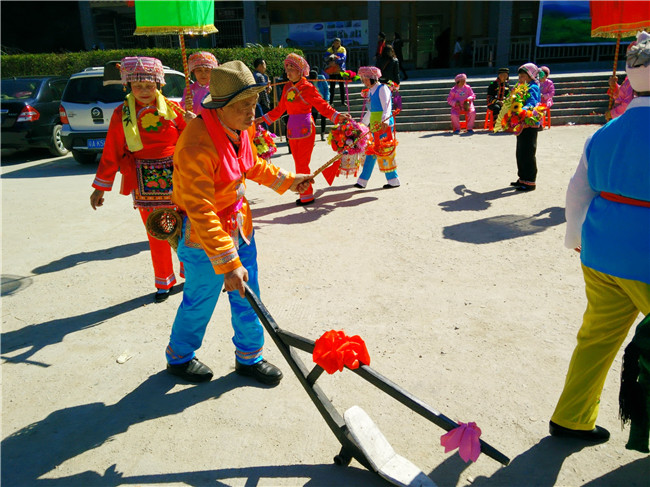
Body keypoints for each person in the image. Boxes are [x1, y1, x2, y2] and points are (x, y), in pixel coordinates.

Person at [166, 60, 315, 384]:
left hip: (239, 224)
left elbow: (251, 164)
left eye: (254, 104)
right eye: (244, 106)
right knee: (201, 297)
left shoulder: (237, 127)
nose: (252, 113)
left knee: (249, 293)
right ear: (220, 106)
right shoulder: (196, 143)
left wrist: (288, 181)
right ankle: (179, 356)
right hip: (204, 234)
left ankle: (250, 356)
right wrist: (228, 262)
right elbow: (200, 209)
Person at [549, 31, 650, 443]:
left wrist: (575, 238)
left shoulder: (604, 132)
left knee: (596, 338)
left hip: (600, 251)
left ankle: (571, 417)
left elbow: (578, 190)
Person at [90, 57, 187, 303]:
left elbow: (192, 139)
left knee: (186, 229)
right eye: (137, 86)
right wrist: (100, 188)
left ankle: (194, 273)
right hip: (144, 180)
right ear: (128, 86)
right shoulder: (121, 114)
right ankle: (164, 281)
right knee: (157, 233)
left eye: (149, 85)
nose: (144, 91)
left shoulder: (175, 110)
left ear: (159, 85)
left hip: (179, 178)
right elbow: (111, 151)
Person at [257, 53, 350, 206]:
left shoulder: (307, 87)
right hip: (292, 130)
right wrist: (261, 119)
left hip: (306, 128)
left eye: (291, 68)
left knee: (302, 163)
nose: (288, 72)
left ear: (300, 71)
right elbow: (279, 110)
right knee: (298, 162)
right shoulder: (287, 87)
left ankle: (306, 194)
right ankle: (304, 191)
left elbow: (321, 105)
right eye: (286, 69)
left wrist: (336, 116)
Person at [354, 66, 400, 190]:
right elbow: (371, 110)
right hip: (375, 125)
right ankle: (362, 181)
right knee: (372, 151)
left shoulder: (382, 88)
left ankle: (393, 180)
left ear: (372, 78)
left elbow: (387, 106)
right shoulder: (371, 91)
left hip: (383, 125)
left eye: (365, 78)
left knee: (384, 151)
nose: (364, 81)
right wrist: (362, 124)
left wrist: (385, 119)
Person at [509, 63, 542, 191]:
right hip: (521, 123)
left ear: (531, 76)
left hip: (530, 122)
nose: (521, 78)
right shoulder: (520, 87)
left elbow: (532, 103)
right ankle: (522, 177)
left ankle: (530, 181)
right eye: (520, 76)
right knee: (520, 152)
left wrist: (521, 110)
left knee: (528, 152)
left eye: (524, 76)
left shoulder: (533, 87)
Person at [181, 51, 218, 120]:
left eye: (207, 70)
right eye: (199, 70)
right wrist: (186, 106)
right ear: (193, 71)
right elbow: (181, 111)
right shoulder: (189, 89)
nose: (203, 74)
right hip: (193, 126)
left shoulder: (217, 89)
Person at [324, 38, 347, 107]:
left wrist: (335, 61)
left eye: (338, 43)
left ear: (340, 43)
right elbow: (325, 58)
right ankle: (331, 102)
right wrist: (331, 59)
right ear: (333, 43)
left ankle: (343, 102)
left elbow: (344, 58)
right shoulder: (329, 50)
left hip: (340, 69)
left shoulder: (343, 49)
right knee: (332, 87)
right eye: (335, 43)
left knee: (341, 86)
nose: (336, 44)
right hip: (332, 70)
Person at [308, 69, 329, 141]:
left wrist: (326, 99)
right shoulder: (308, 81)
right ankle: (312, 135)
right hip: (313, 102)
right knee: (313, 118)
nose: (314, 81)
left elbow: (326, 89)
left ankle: (322, 133)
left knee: (323, 117)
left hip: (322, 99)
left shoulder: (322, 78)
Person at [253, 57, 271, 129]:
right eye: (264, 65)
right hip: (261, 105)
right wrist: (267, 104)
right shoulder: (260, 77)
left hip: (254, 103)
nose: (265, 67)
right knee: (264, 126)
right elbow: (263, 93)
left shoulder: (253, 75)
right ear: (260, 66)